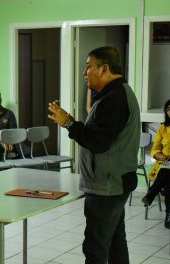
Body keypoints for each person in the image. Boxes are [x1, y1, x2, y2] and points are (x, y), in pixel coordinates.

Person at [47, 46, 140, 264]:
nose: (84, 72)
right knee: (116, 245)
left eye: (88, 66)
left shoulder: (114, 98)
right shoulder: (115, 93)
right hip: (113, 182)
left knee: (95, 249)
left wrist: (69, 122)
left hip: (107, 186)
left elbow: (98, 142)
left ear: (104, 68)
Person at [141, 98, 170, 228]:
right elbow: (155, 149)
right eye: (168, 109)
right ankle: (169, 215)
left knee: (166, 177)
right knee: (168, 179)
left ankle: (151, 193)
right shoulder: (163, 128)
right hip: (166, 163)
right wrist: (161, 156)